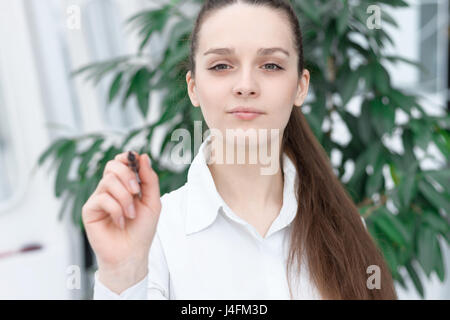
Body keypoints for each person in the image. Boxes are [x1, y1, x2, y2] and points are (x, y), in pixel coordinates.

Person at [82, 0, 397, 299]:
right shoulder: (156, 236)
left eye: (271, 65)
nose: (246, 85)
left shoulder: (347, 228)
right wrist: (122, 274)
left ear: (301, 86)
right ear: (193, 87)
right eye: (221, 66)